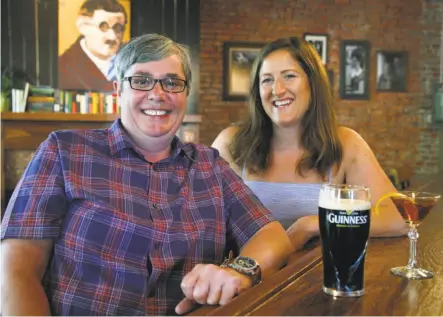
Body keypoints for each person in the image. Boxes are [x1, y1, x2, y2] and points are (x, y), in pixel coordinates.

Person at [1, 34, 292, 316]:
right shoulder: (65, 151)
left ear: (186, 94)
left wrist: (239, 271)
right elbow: (16, 271)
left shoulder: (210, 165)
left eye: (172, 82)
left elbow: (271, 235)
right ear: (118, 90)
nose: (157, 94)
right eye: (141, 81)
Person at [212, 37, 408, 251]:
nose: (277, 90)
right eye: (266, 80)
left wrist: (313, 224)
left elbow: (398, 217)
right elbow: (197, 223)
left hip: (318, 278)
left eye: (289, 76)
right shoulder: (230, 144)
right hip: (250, 279)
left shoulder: (346, 144)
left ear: (312, 84)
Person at [58, 0, 127, 91]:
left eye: (118, 28)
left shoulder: (134, 62)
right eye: (103, 26)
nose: (112, 36)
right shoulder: (61, 66)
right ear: (83, 26)